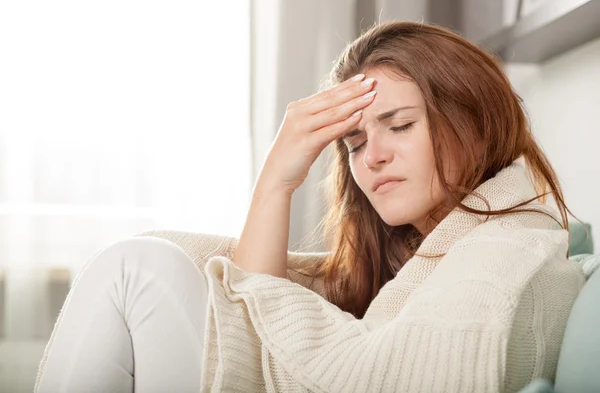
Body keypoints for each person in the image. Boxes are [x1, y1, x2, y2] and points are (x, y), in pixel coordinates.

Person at [35, 21, 585, 392]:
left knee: (139, 269)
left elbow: (391, 374)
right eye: (355, 144)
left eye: (399, 125)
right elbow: (250, 318)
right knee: (137, 266)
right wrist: (278, 181)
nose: (372, 157)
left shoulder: (509, 245)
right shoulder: (419, 254)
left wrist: (275, 181)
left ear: (474, 117)